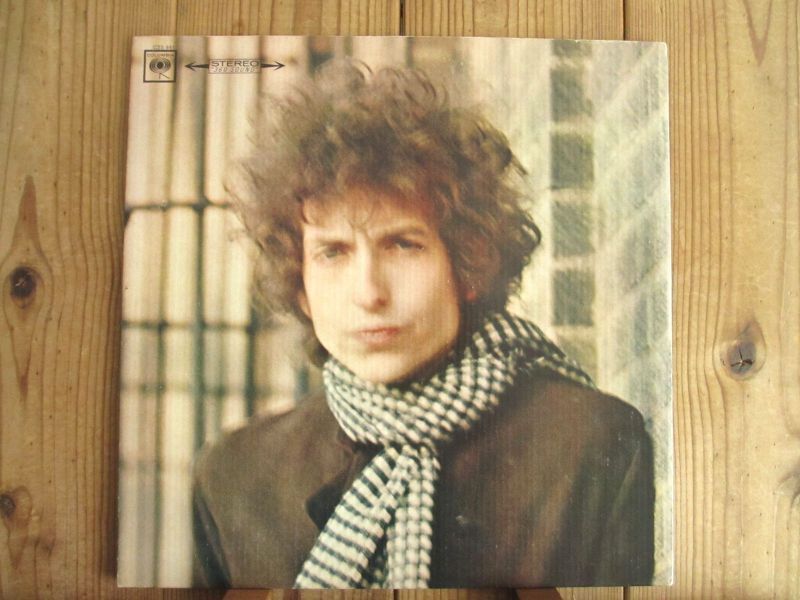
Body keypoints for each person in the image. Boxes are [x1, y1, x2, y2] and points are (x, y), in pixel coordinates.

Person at [192, 60, 654, 589]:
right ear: (301, 286)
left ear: (468, 263)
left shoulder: (587, 447)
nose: (369, 293)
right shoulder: (233, 480)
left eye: (402, 244)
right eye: (332, 253)